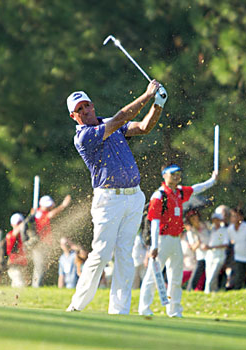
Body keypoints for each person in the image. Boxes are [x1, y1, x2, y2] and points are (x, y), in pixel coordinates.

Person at [65, 79, 166, 314]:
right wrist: (147, 95)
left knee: (125, 254)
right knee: (100, 254)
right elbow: (121, 118)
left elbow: (143, 128)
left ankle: (119, 310)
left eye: (86, 105)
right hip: (108, 200)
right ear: (73, 116)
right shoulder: (84, 136)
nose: (85, 111)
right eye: (79, 109)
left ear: (92, 105)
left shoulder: (108, 123)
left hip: (133, 197)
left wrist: (158, 104)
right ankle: (77, 305)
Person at [138, 164, 217, 317]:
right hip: (161, 240)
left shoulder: (179, 192)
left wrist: (212, 180)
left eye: (178, 173)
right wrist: (153, 245)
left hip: (175, 240)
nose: (176, 176)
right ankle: (144, 308)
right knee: (153, 275)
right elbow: (154, 221)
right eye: (173, 173)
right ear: (164, 175)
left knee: (176, 276)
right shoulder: (159, 195)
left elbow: (196, 188)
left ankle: (174, 310)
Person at [32, 194, 71, 287]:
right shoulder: (39, 213)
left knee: (43, 268)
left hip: (44, 245)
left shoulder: (40, 213)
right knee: (39, 269)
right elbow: (51, 215)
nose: (50, 207)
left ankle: (38, 286)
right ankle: (36, 287)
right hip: (39, 246)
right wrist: (63, 206)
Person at [227, 208, 246, 290]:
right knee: (238, 277)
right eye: (232, 216)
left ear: (241, 217)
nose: (234, 218)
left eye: (236, 216)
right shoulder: (230, 229)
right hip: (238, 257)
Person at [203, 212, 229, 293]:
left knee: (212, 276)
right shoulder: (210, 230)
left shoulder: (224, 230)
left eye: (217, 220)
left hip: (219, 256)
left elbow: (226, 244)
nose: (215, 221)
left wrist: (212, 247)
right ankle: (214, 292)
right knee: (209, 276)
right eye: (214, 220)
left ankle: (206, 292)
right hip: (209, 256)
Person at [185, 208, 210, 291]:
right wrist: (198, 243)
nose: (195, 219)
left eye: (195, 217)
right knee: (197, 274)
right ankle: (190, 289)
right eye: (192, 218)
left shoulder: (206, 225)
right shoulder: (190, 232)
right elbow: (192, 248)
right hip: (201, 256)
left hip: (210, 254)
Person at [5, 213, 29, 287]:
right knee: (20, 285)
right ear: (12, 224)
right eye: (17, 223)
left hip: (22, 265)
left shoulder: (24, 236)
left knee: (16, 285)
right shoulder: (10, 235)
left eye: (20, 223)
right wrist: (27, 219)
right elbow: (15, 233)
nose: (19, 225)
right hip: (14, 266)